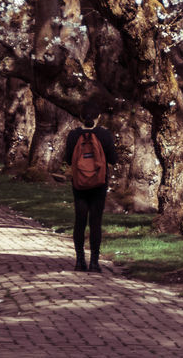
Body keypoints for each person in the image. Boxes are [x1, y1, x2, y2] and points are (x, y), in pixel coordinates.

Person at [65, 102, 118, 272]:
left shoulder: (73, 135)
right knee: (95, 221)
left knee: (80, 221)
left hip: (79, 183)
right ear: (99, 117)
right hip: (99, 183)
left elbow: (68, 159)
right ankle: (94, 262)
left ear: (80, 117)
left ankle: (80, 260)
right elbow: (113, 159)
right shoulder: (104, 135)